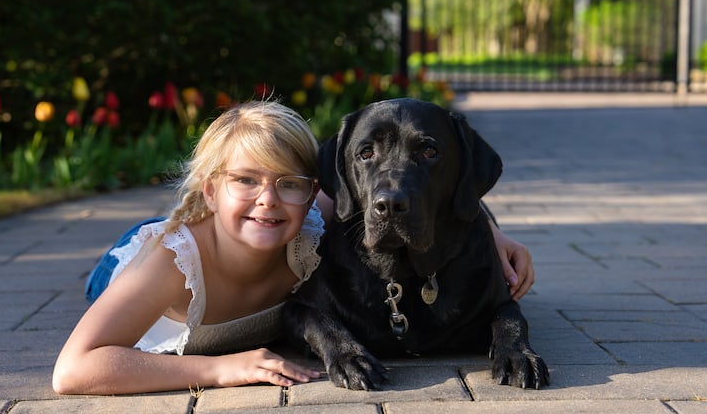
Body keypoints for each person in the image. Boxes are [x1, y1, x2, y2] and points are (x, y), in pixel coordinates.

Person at [52, 100, 535, 395]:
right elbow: (73, 371)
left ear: (312, 190)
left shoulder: (312, 214)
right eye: (245, 180)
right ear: (211, 189)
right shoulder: (169, 264)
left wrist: (496, 236)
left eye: (288, 183)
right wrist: (222, 370)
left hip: (227, 229)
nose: (268, 199)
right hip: (147, 264)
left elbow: (430, 195)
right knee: (145, 255)